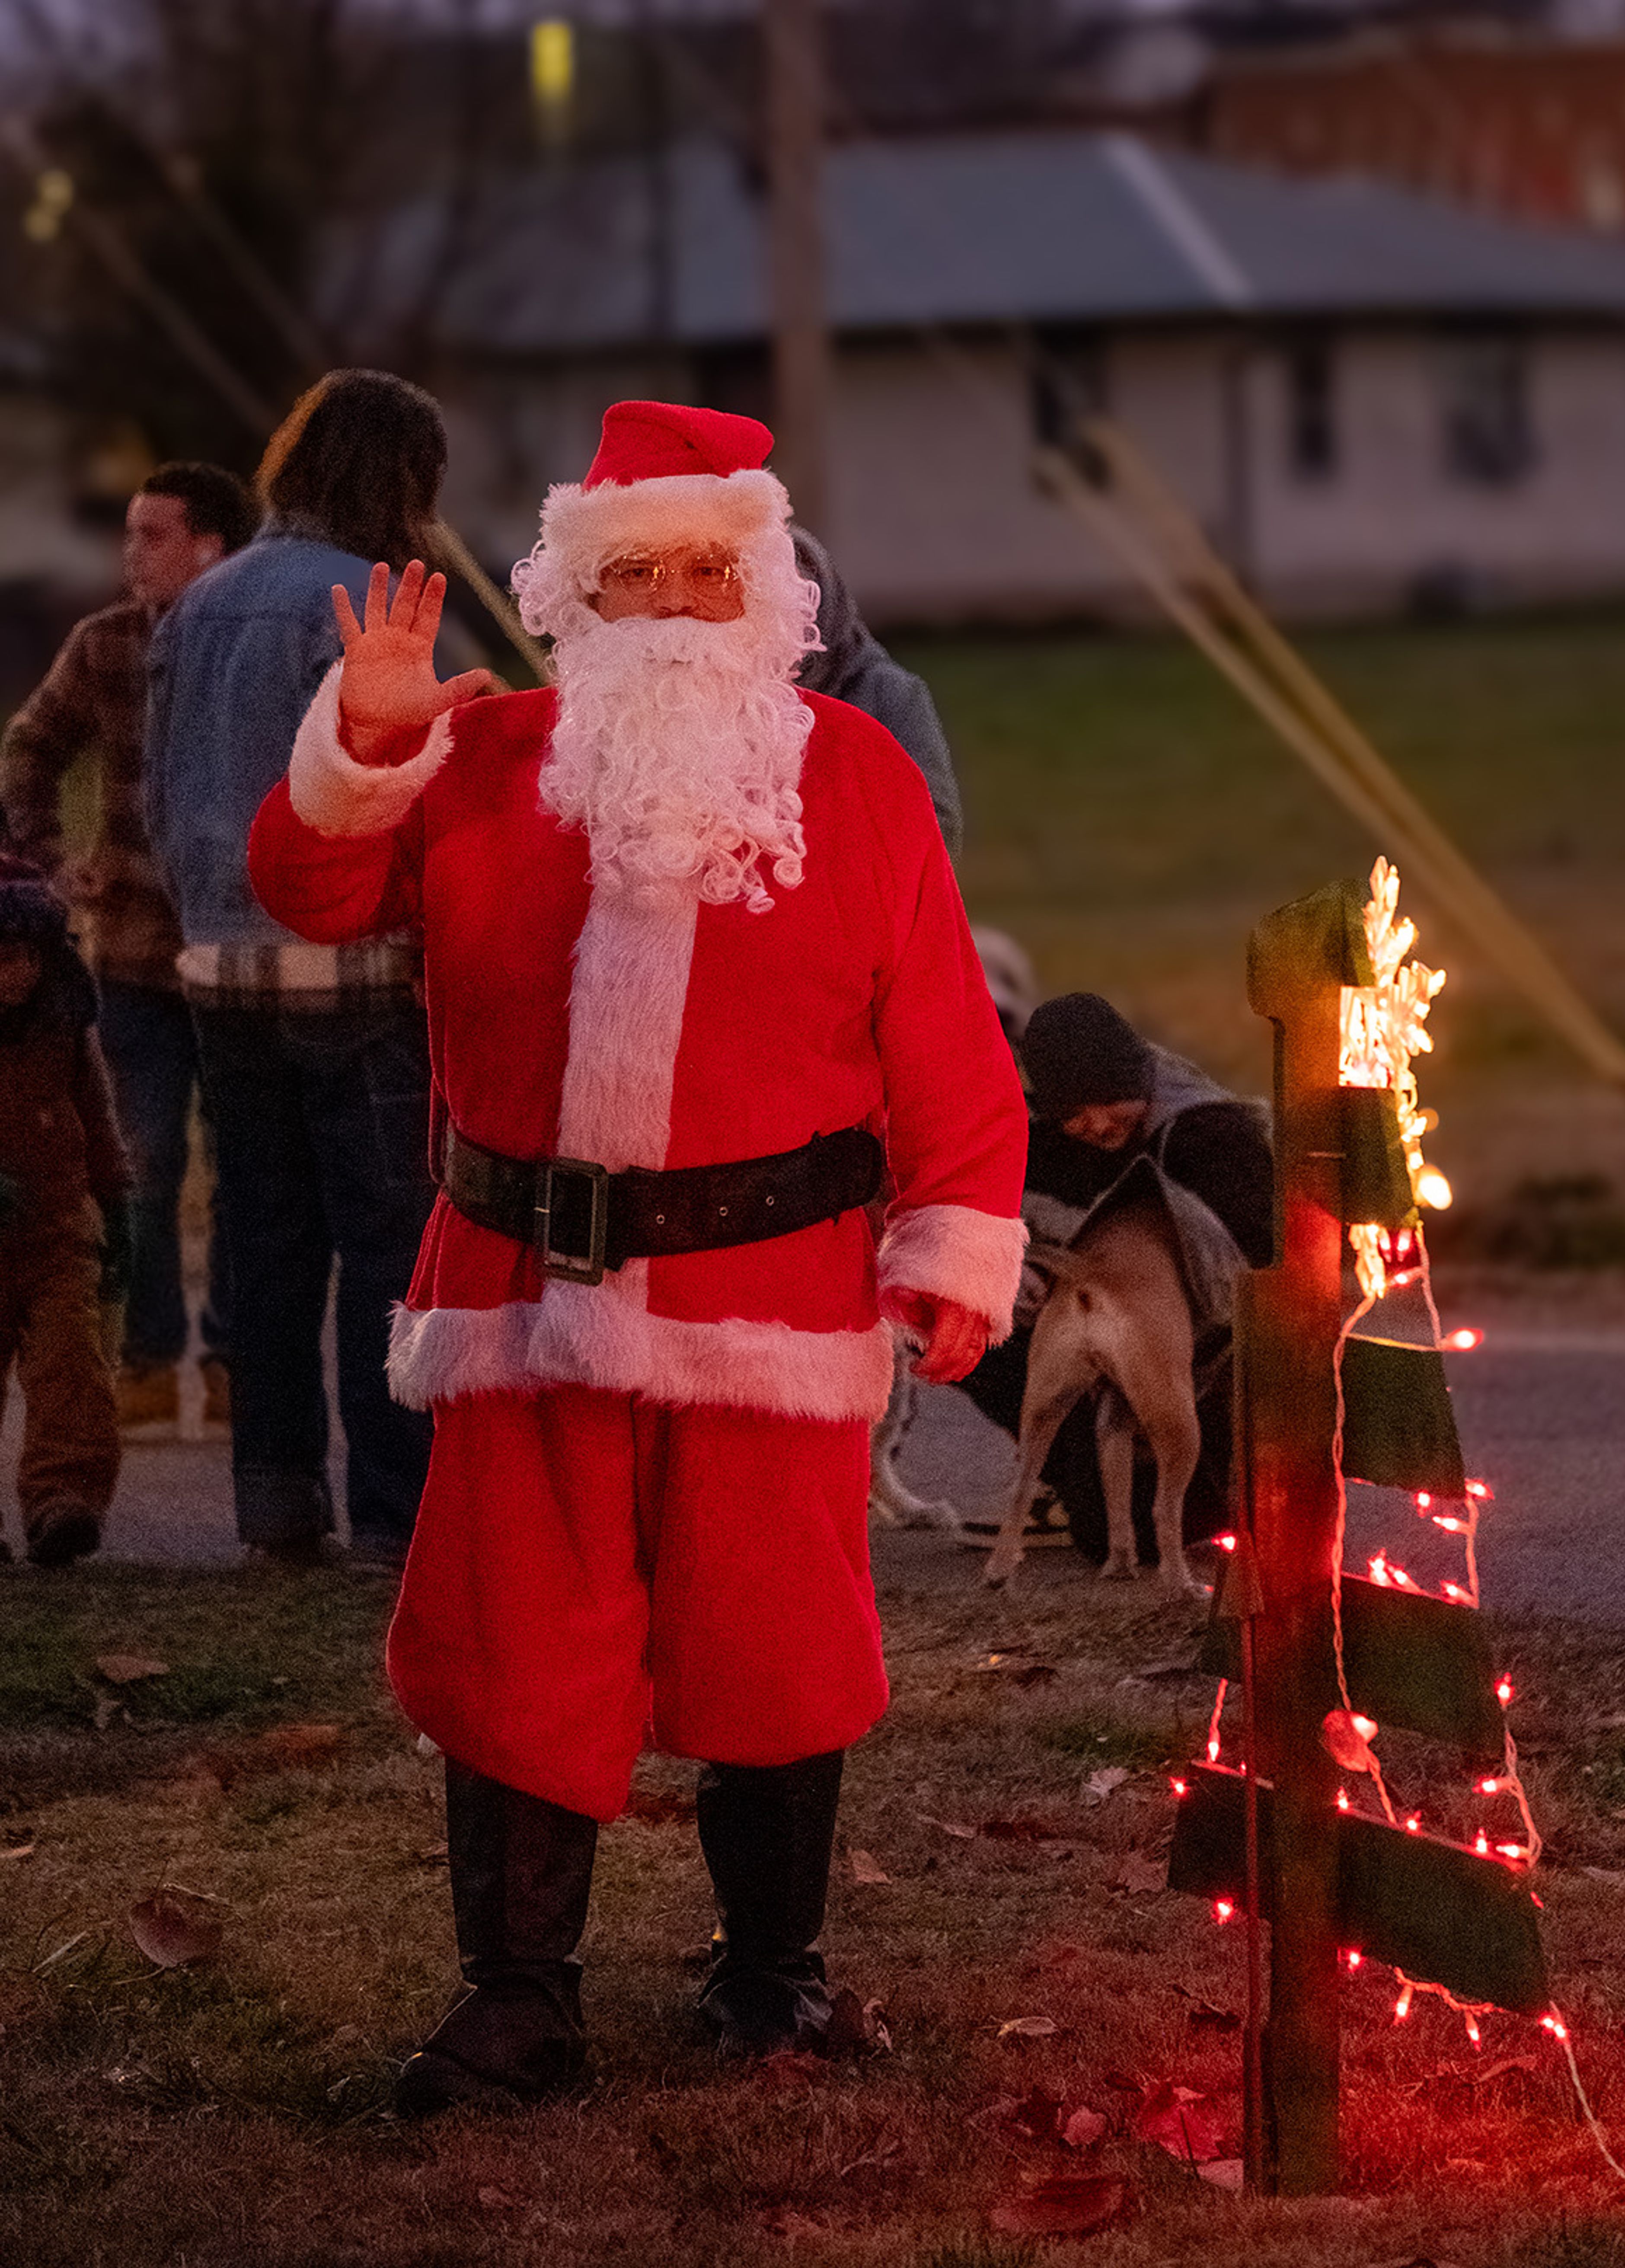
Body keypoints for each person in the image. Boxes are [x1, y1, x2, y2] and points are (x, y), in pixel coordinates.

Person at [246, 399, 1028, 2111]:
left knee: (776, 1643)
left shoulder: (858, 777)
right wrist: (361, 746)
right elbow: (304, 894)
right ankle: (519, 2001)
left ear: (761, 589)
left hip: (778, 1300)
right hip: (526, 1299)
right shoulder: (483, 761)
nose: (673, 602)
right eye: (632, 575)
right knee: (515, 1643)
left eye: (705, 569)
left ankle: (773, 1981)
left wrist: (950, 1244)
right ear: (572, 602)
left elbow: (948, 1037)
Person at [145, 372, 470, 1567]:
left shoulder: (201, 600)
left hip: (220, 970)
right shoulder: (367, 601)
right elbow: (402, 790)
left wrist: (198, 912)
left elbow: (154, 786)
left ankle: (275, 1500)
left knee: (264, 1244)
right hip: (357, 970)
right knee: (389, 1241)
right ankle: (396, 1508)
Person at [0, 461, 251, 1431]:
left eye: (153, 535)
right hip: (135, 960)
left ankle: (234, 1364)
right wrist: (55, 856)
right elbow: (30, 748)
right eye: (130, 533)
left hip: (236, 957)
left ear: (210, 547)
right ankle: (148, 1362)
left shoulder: (243, 652)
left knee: (245, 1169)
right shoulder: (104, 644)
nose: (130, 553)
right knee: (140, 1164)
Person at [957, 991, 1273, 1565]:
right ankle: (1070, 1476)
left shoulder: (1212, 1139)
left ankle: (1162, 1486)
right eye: (1075, 1111)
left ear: (1139, 1078)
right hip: (1098, 1330)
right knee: (958, 1310)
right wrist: (1010, 1263)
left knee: (1125, 1535)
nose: (1097, 1124)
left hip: (1204, 1364)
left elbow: (1258, 1276)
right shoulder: (1052, 1136)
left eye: (1111, 1101)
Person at [0, 855, 132, 1566]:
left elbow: (97, 1115)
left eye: (21, 957)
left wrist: (116, 1202)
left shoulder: (63, 1028)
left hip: (58, 1237)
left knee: (71, 1371)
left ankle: (64, 1503)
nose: (12, 975)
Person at [792, 529, 962, 855]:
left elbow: (937, 823)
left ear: (826, 602)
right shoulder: (725, 696)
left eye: (802, 601)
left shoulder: (887, 693)